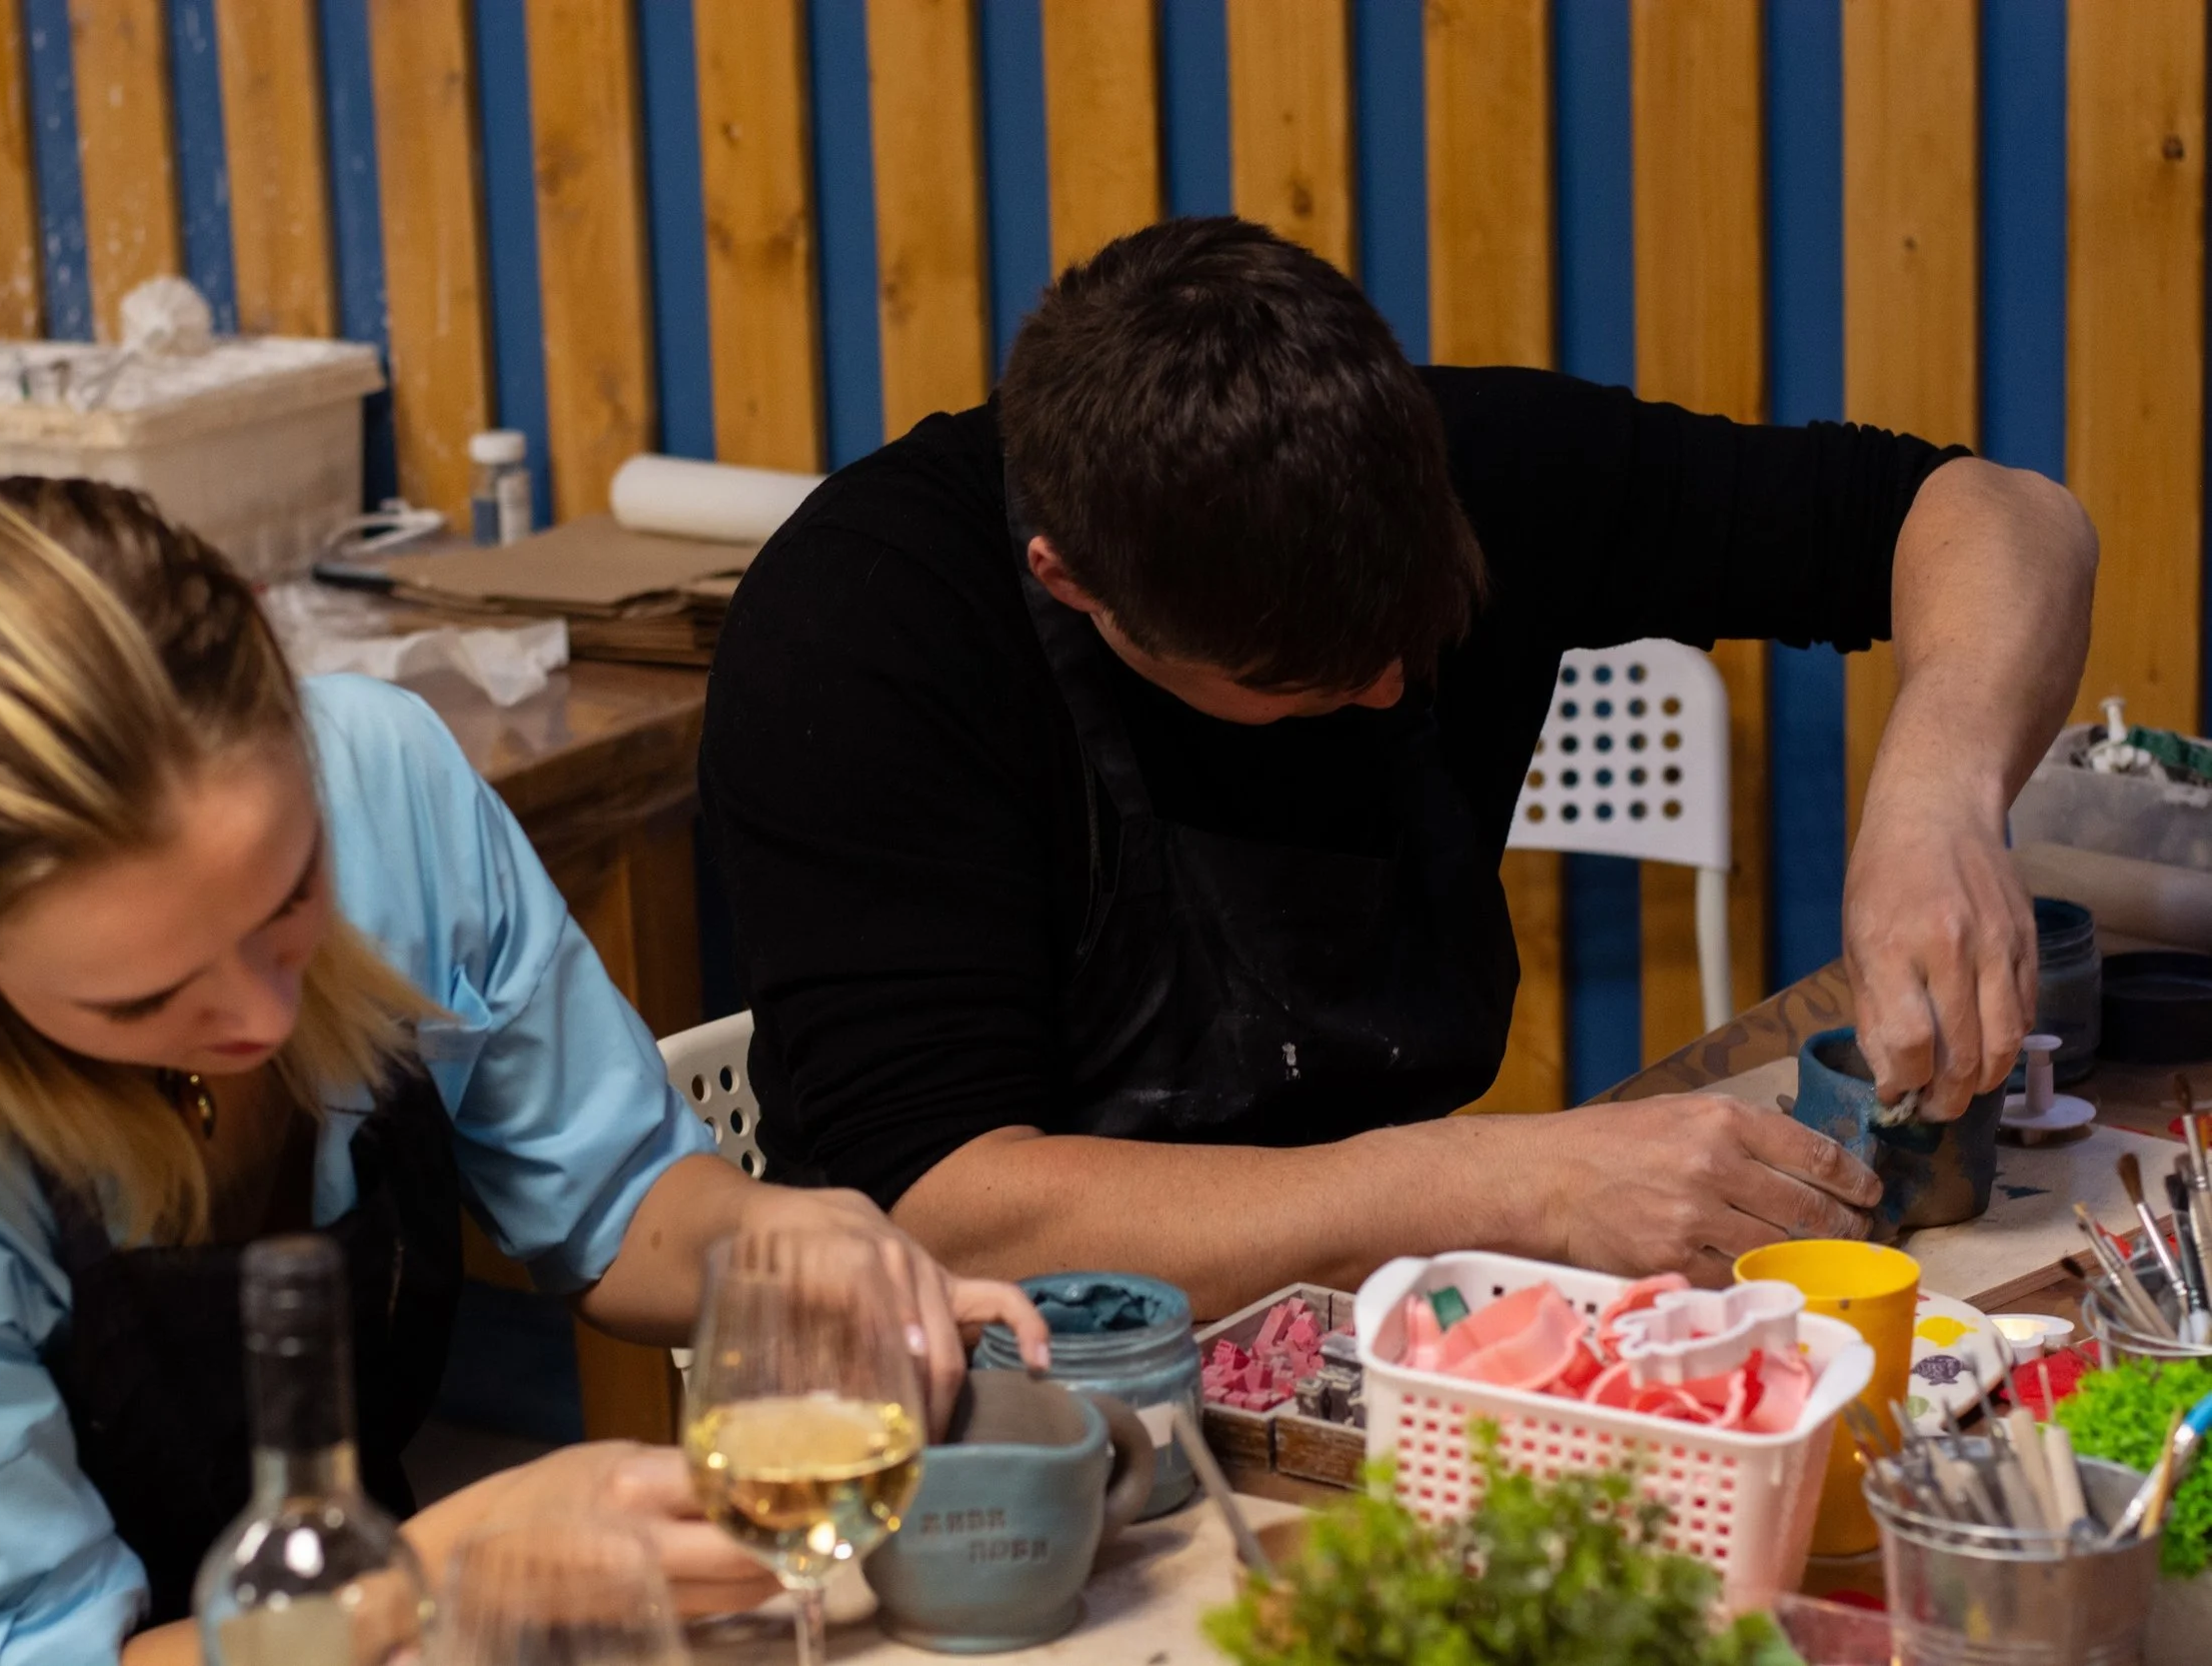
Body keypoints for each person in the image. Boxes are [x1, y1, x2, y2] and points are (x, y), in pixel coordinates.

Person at [0, 478, 1046, 1666]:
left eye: (289, 893)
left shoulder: (387, 775)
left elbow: (618, 1193)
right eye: (143, 994)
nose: (254, 1012)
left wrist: (778, 1245)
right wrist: (439, 1574)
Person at [701, 216, 2097, 1318]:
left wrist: (1939, 792)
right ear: (1077, 588)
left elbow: (2000, 514)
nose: (1387, 686)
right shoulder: (864, 630)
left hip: (1369, 1318)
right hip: (990, 1395)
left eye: (1415, 630)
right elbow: (945, 1208)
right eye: (1308, 681)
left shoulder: (1468, 454)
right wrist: (1508, 1176)